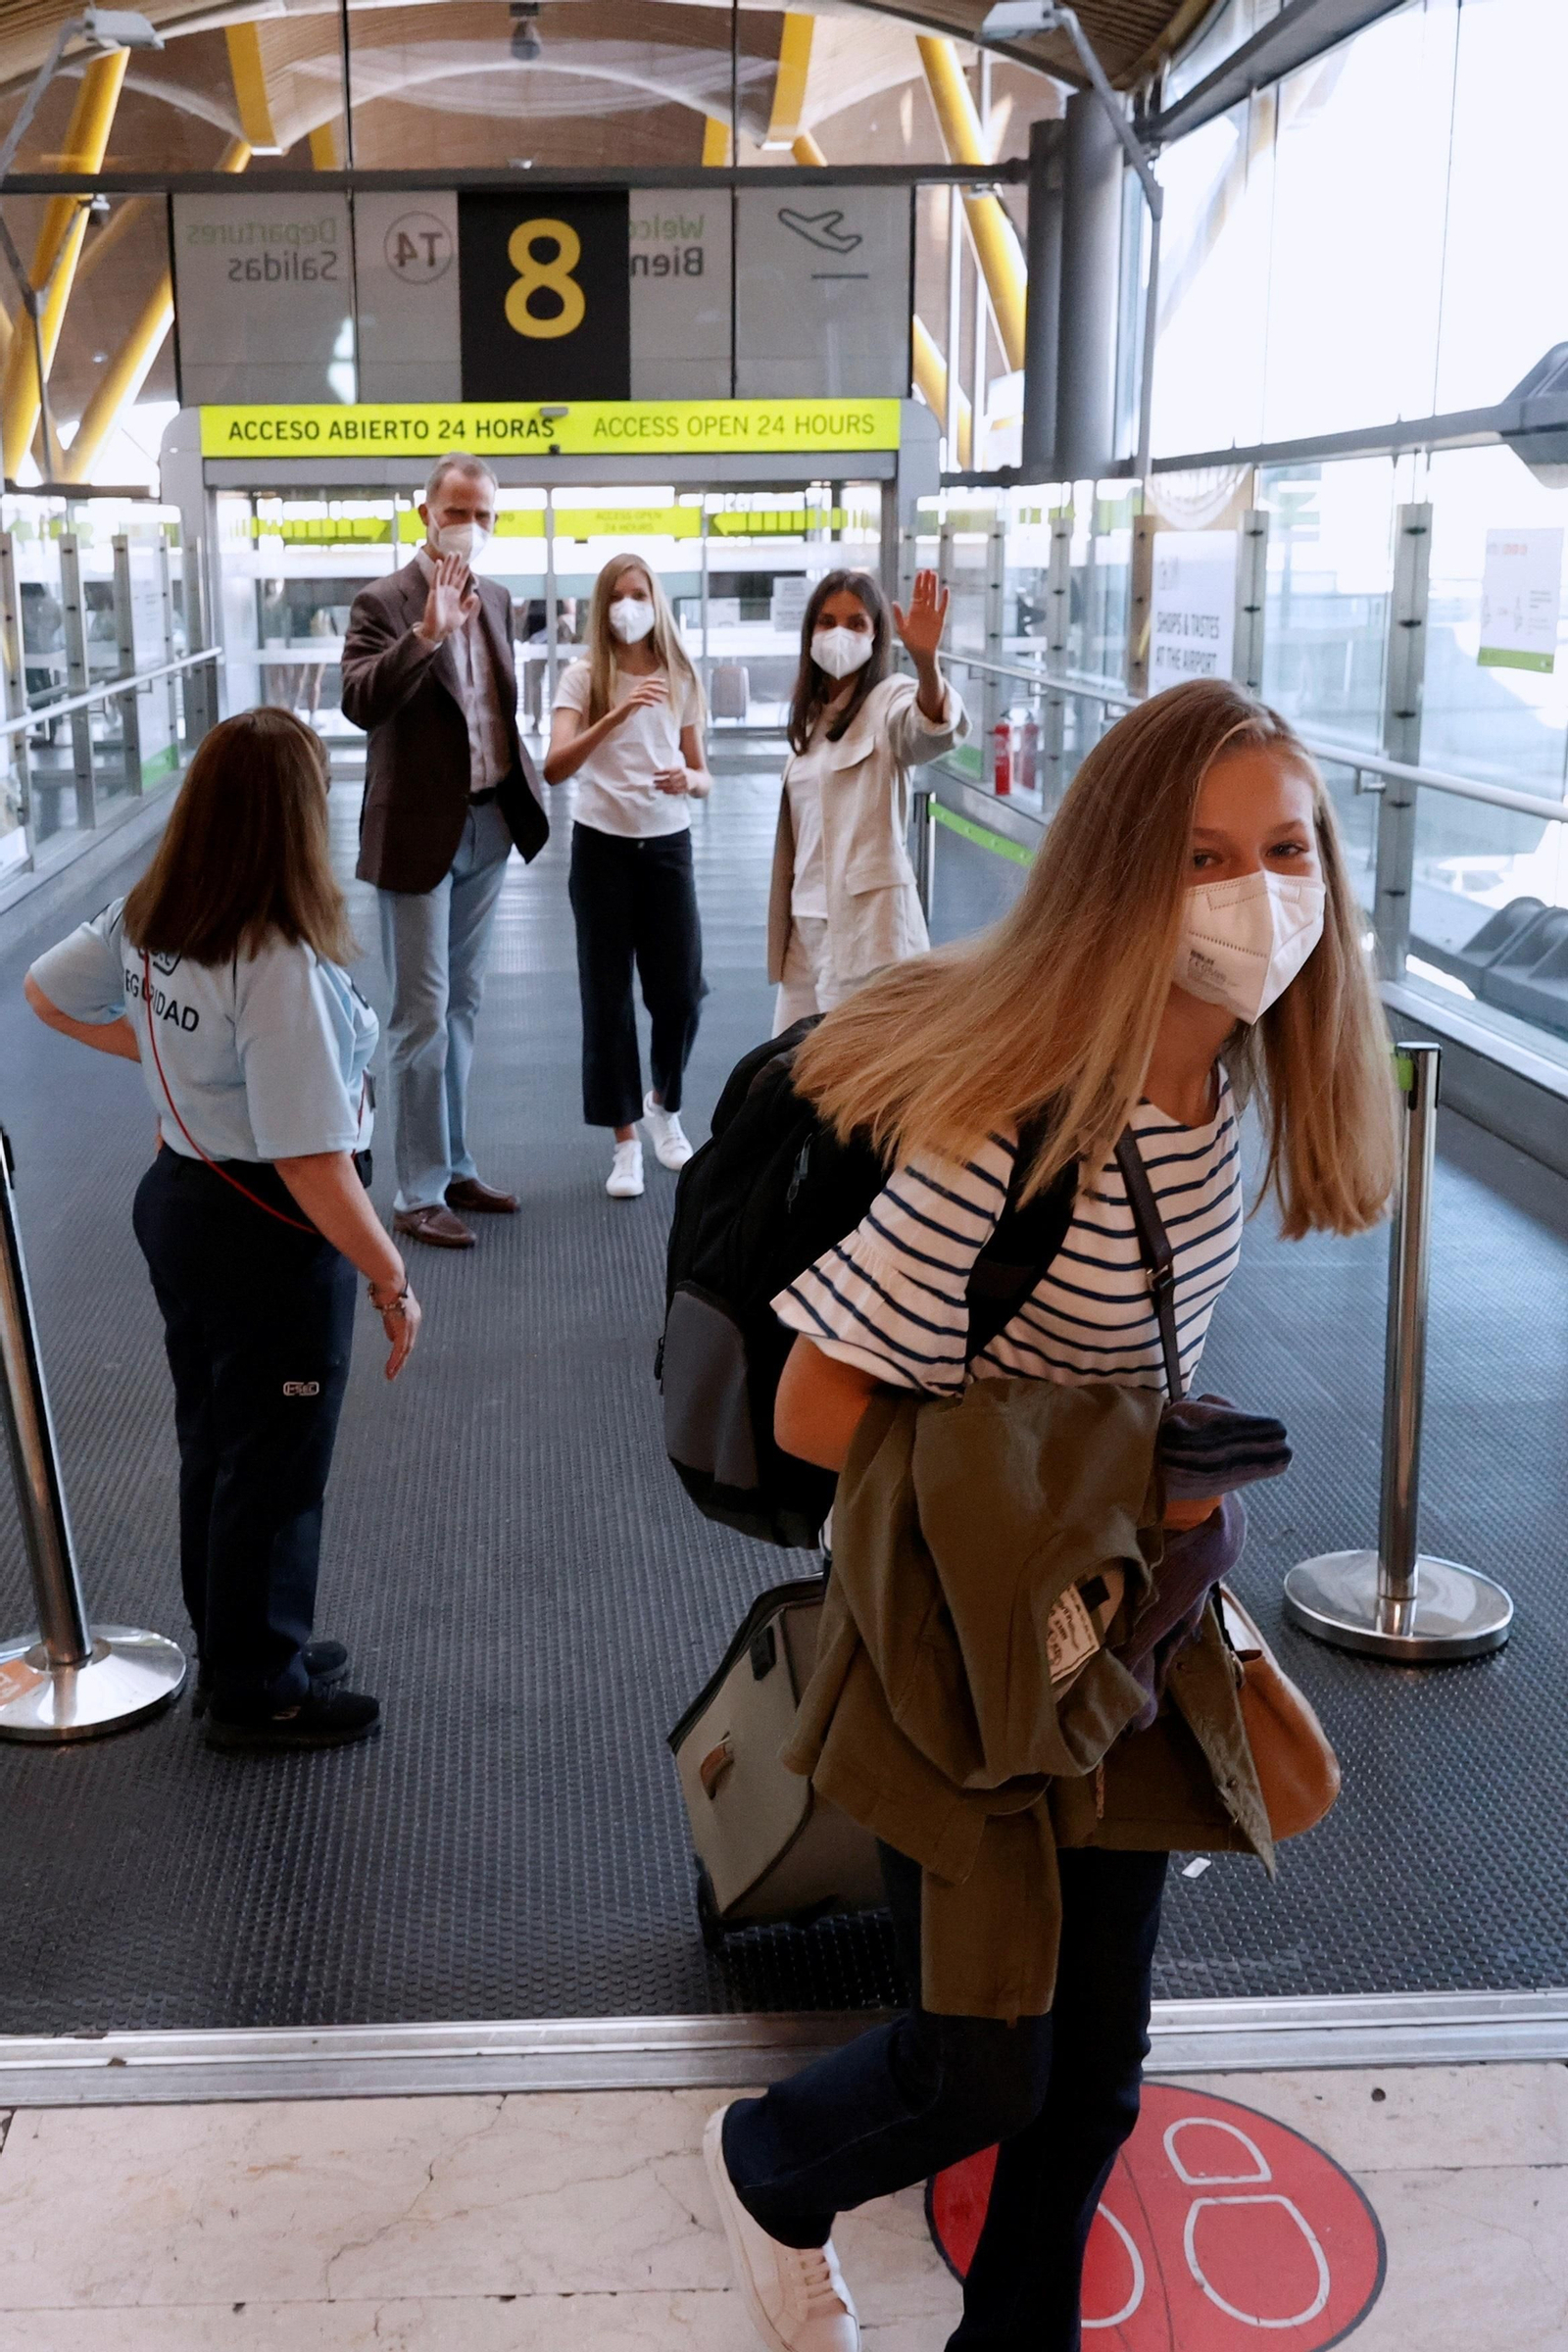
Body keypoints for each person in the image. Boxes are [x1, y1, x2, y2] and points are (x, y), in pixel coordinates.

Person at [702, 676, 1400, 2352]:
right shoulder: (1004, 1129)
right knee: (980, 2061)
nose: (1259, 894)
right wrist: (1105, 1472)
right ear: (1116, 878)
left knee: (1091, 2080)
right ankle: (768, 2170)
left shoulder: (1223, 1107)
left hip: (1115, 1641)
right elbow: (818, 1406)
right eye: (1204, 856)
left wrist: (1131, 1477)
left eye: (1287, 849)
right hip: (962, 1658)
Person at [23, 709, 421, 1752]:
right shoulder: (276, 960)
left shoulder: (151, 913)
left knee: (220, 1440)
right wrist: (389, 1279)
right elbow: (309, 1160)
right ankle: (260, 1690)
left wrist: (164, 1070)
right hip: (265, 1229)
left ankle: (243, 1644)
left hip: (182, 1200)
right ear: (293, 821)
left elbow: (46, 992)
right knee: (277, 1460)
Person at [341, 454, 549, 1250]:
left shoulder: (496, 597)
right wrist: (427, 635)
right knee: (420, 1017)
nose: (472, 524)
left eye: (486, 513)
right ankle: (417, 1192)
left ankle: (456, 1164)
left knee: (462, 1009)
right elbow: (361, 700)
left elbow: (493, 706)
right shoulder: (384, 601)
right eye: (458, 509)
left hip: (489, 822)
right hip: (417, 834)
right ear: (424, 511)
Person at [543, 552, 710, 1200]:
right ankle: (624, 1141)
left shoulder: (681, 675)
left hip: (668, 845)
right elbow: (555, 766)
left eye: (639, 593)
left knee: (682, 992)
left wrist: (687, 779)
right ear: (600, 606)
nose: (629, 605)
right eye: (617, 595)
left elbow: (702, 773)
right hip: (602, 849)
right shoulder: (583, 676)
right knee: (606, 998)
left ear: (656, 599)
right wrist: (613, 714)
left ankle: (665, 1103)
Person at [769, 566, 964, 1035]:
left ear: (876, 637)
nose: (840, 634)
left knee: (854, 1079)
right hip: (806, 927)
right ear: (810, 632)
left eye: (856, 623)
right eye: (827, 621)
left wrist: (925, 665)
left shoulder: (889, 699)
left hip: (866, 931)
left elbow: (930, 730)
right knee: (784, 1073)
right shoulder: (811, 721)